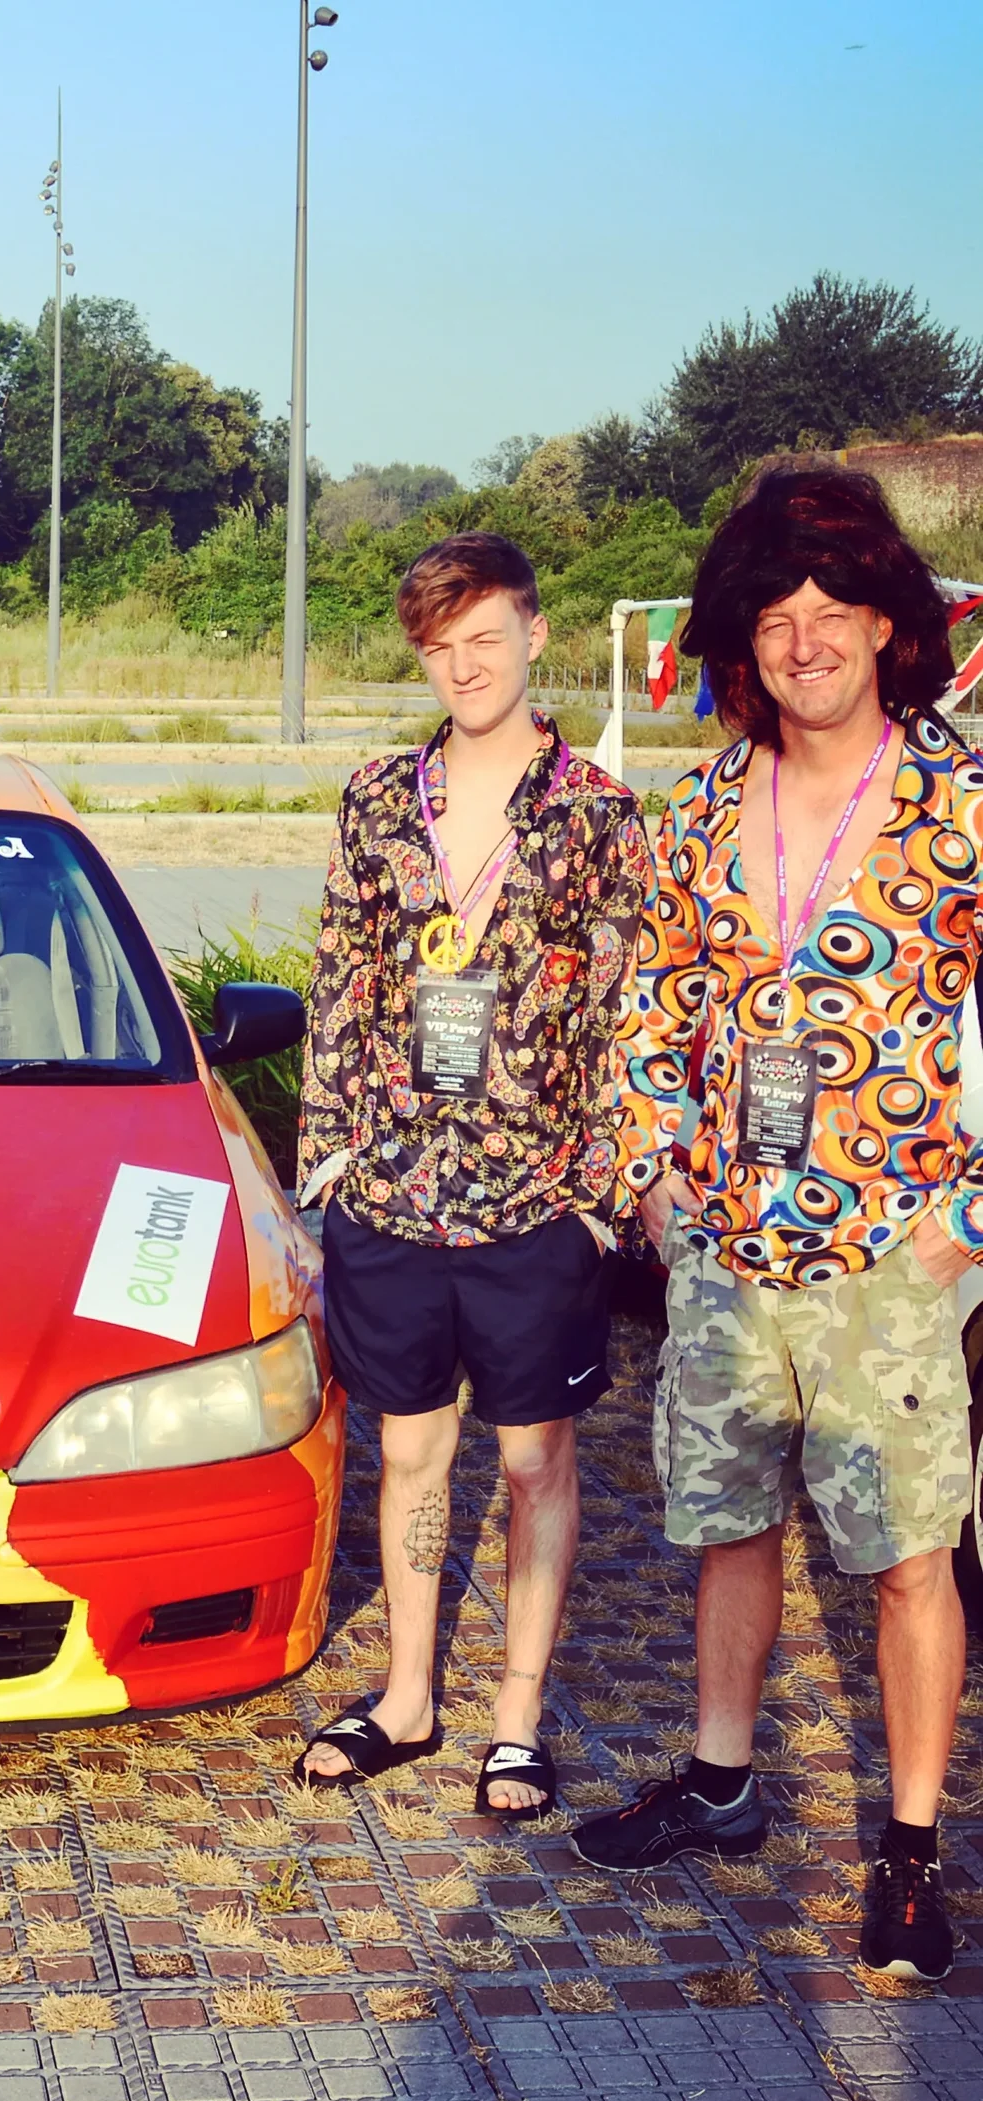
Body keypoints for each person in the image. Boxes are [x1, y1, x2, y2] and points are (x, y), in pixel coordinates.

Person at [575, 467, 979, 1985]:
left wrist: (968, 1231)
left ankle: (915, 1849)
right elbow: (649, 1021)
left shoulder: (962, 804)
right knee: (727, 1526)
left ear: (888, 621)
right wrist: (658, 1185)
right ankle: (723, 1778)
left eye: (833, 610)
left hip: (894, 1262)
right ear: (744, 634)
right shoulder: (700, 812)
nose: (805, 638)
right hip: (730, 1256)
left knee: (908, 1560)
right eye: (776, 612)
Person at [292, 533, 651, 1817]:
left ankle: (515, 1718)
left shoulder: (598, 816)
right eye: (439, 647)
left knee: (536, 1462)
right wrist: (324, 1157)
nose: (462, 665)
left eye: (483, 637)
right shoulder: (379, 794)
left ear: (535, 635)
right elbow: (338, 975)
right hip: (391, 1193)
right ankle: (406, 1698)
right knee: (411, 1455)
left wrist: (605, 1194)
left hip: (531, 1201)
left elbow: (630, 1008)